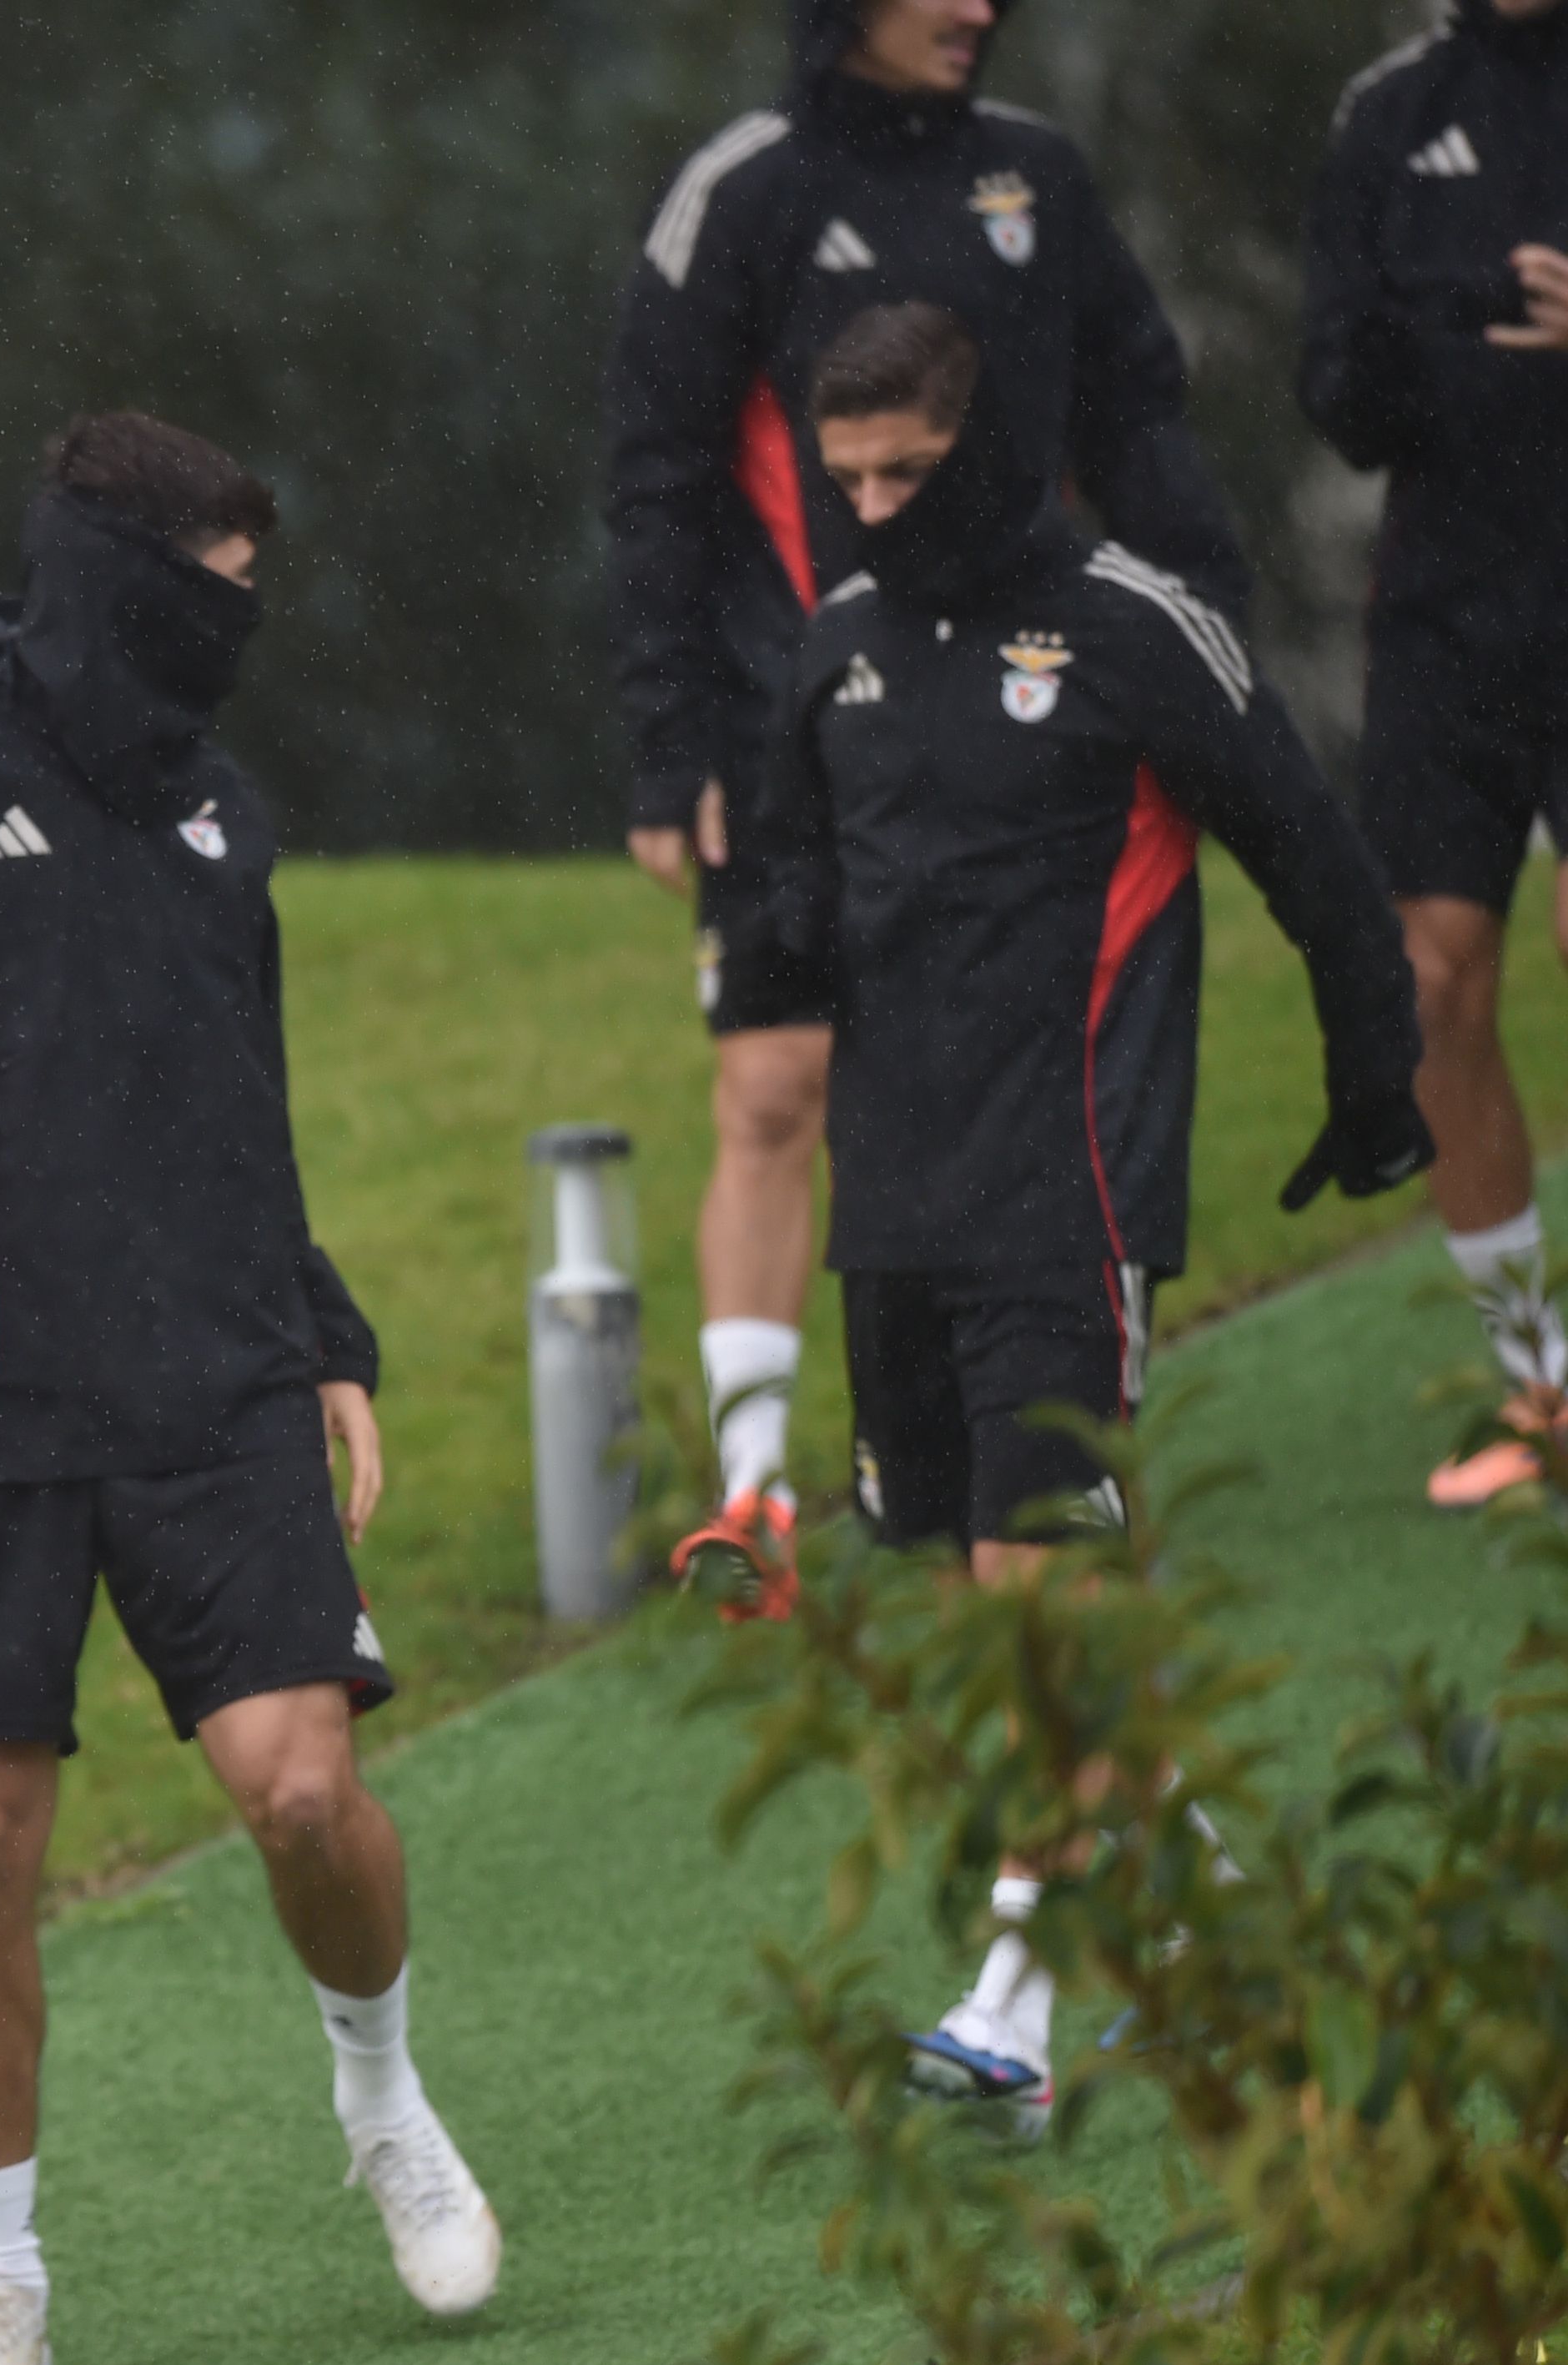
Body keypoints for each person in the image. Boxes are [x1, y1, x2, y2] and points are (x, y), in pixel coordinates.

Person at [0, 413, 502, 2365]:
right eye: (227, 589)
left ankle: (382, 2098)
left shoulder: (216, 810)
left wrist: (327, 1322)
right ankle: (0, 2282)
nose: (244, 630)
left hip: (215, 1385)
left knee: (303, 1795)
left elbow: (242, 1097)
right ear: (127, 575)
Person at [738, 304, 1430, 2121]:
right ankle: (1204, 1904)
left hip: (1071, 1184)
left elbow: (1309, 844)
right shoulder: (834, 645)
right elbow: (791, 870)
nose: (877, 507)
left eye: (908, 470)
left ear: (986, 442)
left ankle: (1015, 2011)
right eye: (848, 478)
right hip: (894, 1202)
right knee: (992, 1624)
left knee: (1038, 1608)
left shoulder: (1131, 622)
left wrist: (1378, 1081)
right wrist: (770, 937)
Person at [606, 0, 1253, 1614]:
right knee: (769, 1085)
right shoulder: (741, 190)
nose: (973, 7)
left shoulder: (1035, 174)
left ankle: (1032, 1456)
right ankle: (752, 1490)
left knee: (1005, 1092)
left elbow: (1138, 420)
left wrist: (1211, 632)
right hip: (790, 728)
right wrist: (660, 737)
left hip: (1021, 736)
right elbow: (655, 474)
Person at [1298, 0, 1568, 1507]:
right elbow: (1330, 391)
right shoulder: (1388, 113)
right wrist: (1438, 327)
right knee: (1431, 980)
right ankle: (1537, 1388)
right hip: (1446, 621)